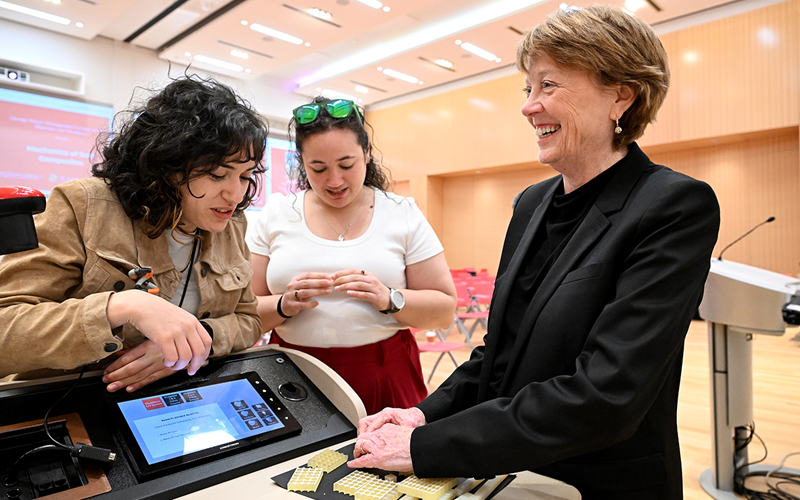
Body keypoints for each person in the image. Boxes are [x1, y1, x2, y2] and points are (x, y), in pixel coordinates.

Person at [348, 6, 720, 500]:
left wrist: (424, 446)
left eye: (549, 85)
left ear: (621, 95)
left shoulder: (672, 205)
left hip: (599, 482)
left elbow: (607, 394)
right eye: (528, 89)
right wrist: (423, 414)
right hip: (503, 473)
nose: (529, 106)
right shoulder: (531, 203)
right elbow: (497, 355)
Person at [0, 76, 266, 393]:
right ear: (166, 163)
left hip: (177, 404)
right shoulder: (81, 206)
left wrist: (194, 341)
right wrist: (123, 307)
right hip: (69, 409)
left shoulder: (231, 224)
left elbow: (248, 320)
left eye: (245, 176)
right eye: (217, 174)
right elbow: (6, 331)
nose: (235, 195)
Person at [246, 97, 457, 415]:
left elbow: (443, 311)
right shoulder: (277, 214)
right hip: (292, 372)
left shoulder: (401, 213)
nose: (334, 181)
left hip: (384, 369)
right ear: (302, 162)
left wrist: (389, 299)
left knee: (388, 462)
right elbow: (243, 315)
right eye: (318, 168)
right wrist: (282, 305)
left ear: (367, 153)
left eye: (347, 165)